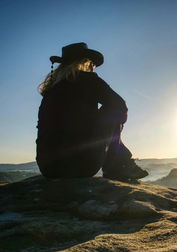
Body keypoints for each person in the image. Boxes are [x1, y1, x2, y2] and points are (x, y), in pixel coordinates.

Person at [36, 42, 148, 180]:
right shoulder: (88, 80)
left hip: (48, 168)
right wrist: (108, 127)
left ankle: (122, 164)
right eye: (92, 64)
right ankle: (119, 167)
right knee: (112, 111)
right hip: (81, 166)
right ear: (84, 62)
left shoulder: (51, 90)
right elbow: (120, 107)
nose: (92, 67)